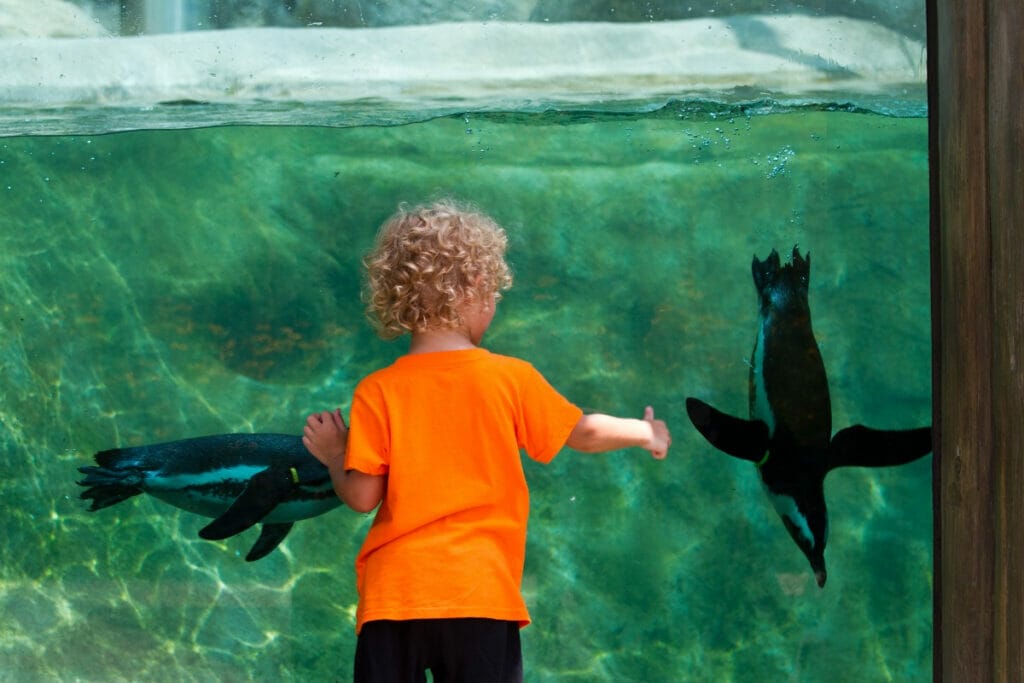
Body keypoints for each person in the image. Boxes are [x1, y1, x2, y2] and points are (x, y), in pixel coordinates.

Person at [303, 199, 671, 683]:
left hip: (394, 599)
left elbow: (363, 496)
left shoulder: (378, 390)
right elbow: (582, 432)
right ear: (474, 289)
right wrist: (645, 431)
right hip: (479, 596)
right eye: (494, 292)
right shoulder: (510, 379)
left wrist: (334, 455)